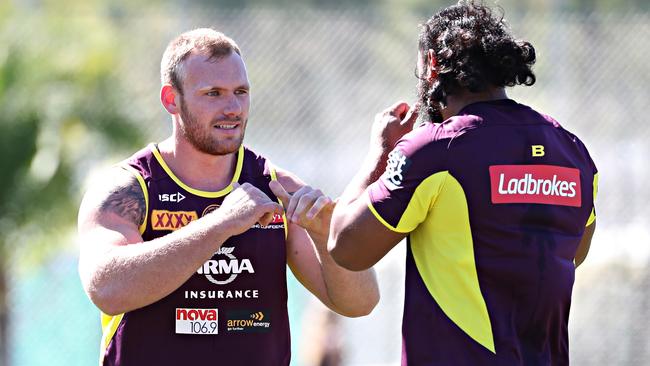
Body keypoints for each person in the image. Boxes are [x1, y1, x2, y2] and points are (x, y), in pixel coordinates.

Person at [77, 28, 379, 366]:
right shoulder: (131, 189)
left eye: (241, 92)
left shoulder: (275, 188)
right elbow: (106, 288)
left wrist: (325, 236)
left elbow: (360, 302)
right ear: (171, 99)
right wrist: (220, 223)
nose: (233, 108)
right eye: (213, 93)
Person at [328, 1, 597, 365]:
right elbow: (573, 254)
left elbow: (345, 245)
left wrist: (380, 153)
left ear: (433, 65)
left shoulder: (436, 151)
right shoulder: (573, 152)